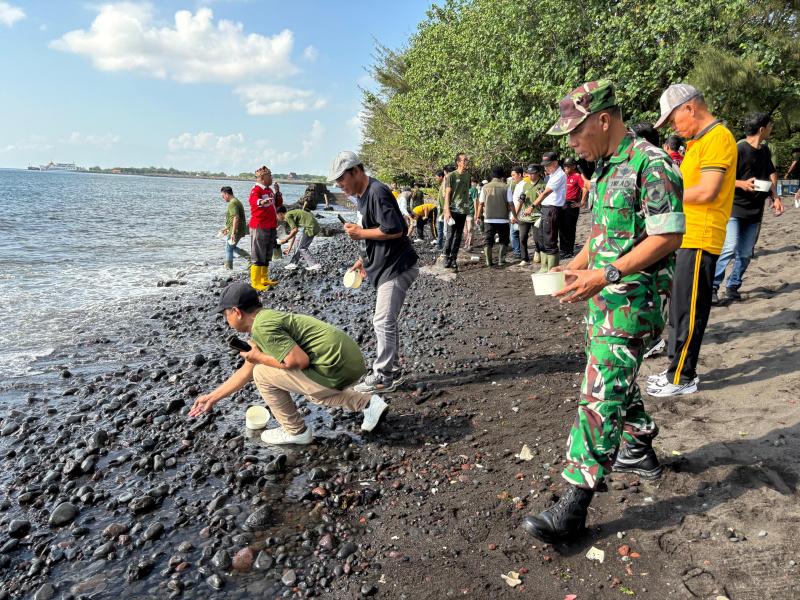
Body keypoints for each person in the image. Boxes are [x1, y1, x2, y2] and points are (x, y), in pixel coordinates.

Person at [521, 80, 684, 544]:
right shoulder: (607, 169)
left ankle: (574, 504)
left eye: (576, 131)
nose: (571, 142)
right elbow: (602, 235)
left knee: (600, 391)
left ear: (604, 120)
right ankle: (638, 446)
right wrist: (576, 266)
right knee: (614, 378)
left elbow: (668, 236)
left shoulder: (652, 164)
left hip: (634, 302)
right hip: (604, 299)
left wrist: (606, 274)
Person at [188, 282, 389, 444]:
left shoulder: (262, 327)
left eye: (226, 315)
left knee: (262, 374)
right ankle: (369, 403)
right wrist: (213, 397)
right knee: (313, 392)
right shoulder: (266, 319)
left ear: (236, 312)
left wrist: (259, 358)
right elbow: (246, 370)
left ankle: (295, 431)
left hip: (337, 366)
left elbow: (298, 361)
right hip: (350, 363)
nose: (227, 321)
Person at [647, 83, 737, 398]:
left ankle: (682, 376)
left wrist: (664, 196)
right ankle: (674, 368)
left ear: (690, 108)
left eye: (673, 119)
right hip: (686, 235)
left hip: (701, 235)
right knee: (678, 309)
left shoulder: (718, 138)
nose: (673, 127)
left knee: (689, 311)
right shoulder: (698, 142)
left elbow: (708, 191)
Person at [330, 151, 419, 393]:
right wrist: (362, 260)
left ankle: (383, 376)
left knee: (381, 321)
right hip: (384, 266)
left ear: (356, 171)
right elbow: (374, 231)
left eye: (342, 179)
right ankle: (394, 371)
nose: (340, 185)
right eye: (337, 181)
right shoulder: (362, 196)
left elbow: (396, 229)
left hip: (397, 267)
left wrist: (360, 233)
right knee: (386, 321)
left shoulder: (377, 192)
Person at [712, 112, 784, 303]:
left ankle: (733, 286)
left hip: (755, 210)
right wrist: (741, 184)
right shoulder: (738, 149)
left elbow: (770, 173)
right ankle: (712, 287)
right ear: (762, 129)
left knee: (745, 254)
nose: (771, 129)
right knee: (729, 248)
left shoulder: (764, 150)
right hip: (734, 208)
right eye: (770, 126)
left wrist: (775, 197)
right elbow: (721, 178)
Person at [248, 166, 283, 291]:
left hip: (271, 225)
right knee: (258, 253)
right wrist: (261, 202)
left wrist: (277, 192)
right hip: (260, 225)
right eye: (269, 176)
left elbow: (278, 204)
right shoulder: (256, 189)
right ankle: (255, 282)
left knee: (267, 252)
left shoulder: (269, 190)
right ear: (262, 178)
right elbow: (253, 200)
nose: (272, 178)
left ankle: (264, 278)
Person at [532, 151, 566, 272]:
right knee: (541, 239)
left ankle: (552, 270)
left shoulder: (559, 175)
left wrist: (532, 206)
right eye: (544, 165)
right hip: (546, 208)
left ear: (555, 163)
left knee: (550, 240)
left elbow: (546, 193)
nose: (545, 168)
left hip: (552, 209)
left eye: (548, 165)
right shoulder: (551, 175)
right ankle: (544, 267)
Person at [475, 166, 514, 266]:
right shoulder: (506, 187)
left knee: (488, 240)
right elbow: (511, 203)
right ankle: (501, 260)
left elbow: (481, 203)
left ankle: (489, 261)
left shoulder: (485, 187)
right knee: (504, 239)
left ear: (492, 176)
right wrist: (515, 216)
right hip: (503, 219)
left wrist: (478, 216)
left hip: (489, 218)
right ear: (502, 176)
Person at [442, 153, 472, 269]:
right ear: (458, 162)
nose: (466, 162)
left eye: (466, 160)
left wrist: (468, 208)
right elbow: (447, 194)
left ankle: (453, 258)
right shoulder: (451, 176)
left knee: (458, 236)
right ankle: (446, 256)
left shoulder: (468, 176)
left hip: (463, 210)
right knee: (450, 235)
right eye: (464, 160)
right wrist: (446, 211)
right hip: (452, 209)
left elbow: (466, 192)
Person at [515, 164, 545, 265]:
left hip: (538, 215)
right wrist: (515, 215)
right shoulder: (525, 185)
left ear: (538, 173)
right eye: (529, 173)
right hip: (525, 216)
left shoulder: (543, 185)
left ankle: (538, 250)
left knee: (537, 238)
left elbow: (545, 201)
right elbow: (521, 201)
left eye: (533, 173)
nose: (530, 175)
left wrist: (541, 198)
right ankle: (524, 258)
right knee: (522, 237)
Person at [276, 206, 322, 272]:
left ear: (280, 214)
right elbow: (294, 234)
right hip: (313, 226)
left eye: (276, 215)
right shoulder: (291, 214)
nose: (277, 218)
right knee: (297, 242)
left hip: (310, 227)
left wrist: (285, 240)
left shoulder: (287, 216)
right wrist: (289, 248)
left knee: (302, 247)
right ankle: (293, 263)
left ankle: (314, 264)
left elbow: (295, 230)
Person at [559, 158, 586, 258]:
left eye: (568, 166)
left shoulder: (577, 176)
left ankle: (569, 251)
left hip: (571, 205)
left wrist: (581, 202)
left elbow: (585, 188)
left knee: (569, 228)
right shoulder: (563, 176)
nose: (566, 168)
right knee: (561, 228)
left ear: (574, 166)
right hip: (561, 204)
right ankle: (563, 250)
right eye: (565, 166)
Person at [220, 186, 250, 269]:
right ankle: (249, 258)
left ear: (226, 194)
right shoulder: (236, 201)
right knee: (231, 247)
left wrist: (233, 232)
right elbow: (233, 218)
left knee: (228, 249)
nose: (223, 198)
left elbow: (236, 217)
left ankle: (229, 268)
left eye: (223, 196)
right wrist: (227, 228)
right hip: (237, 229)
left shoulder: (232, 203)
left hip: (236, 230)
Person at [464, 178, 479, 251]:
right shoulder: (464, 189)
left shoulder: (474, 190)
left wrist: (476, 213)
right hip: (464, 212)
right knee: (465, 230)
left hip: (470, 212)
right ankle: (466, 244)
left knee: (470, 229)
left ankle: (470, 245)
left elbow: (475, 201)